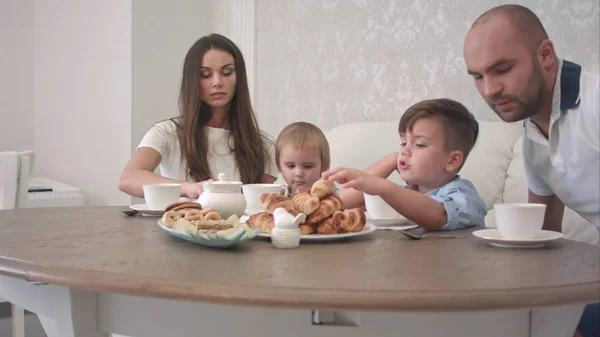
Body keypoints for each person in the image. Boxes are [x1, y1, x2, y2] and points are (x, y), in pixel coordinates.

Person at [463, 5, 599, 337]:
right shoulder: (532, 141)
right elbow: (543, 235)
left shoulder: (595, 99)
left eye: (502, 69)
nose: (489, 90)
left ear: (546, 54)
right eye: (478, 76)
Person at [118, 34, 278, 199]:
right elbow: (129, 178)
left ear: (239, 78)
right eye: (205, 75)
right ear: (193, 80)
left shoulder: (263, 146)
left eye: (227, 72)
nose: (217, 82)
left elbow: (259, 207)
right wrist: (187, 188)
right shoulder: (167, 133)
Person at [323, 98, 487, 230]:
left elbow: (439, 215)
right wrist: (391, 160)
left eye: (419, 145)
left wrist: (383, 186)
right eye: (403, 143)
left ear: (452, 160)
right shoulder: (406, 193)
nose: (405, 151)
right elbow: (341, 202)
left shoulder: (464, 195)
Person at [275, 122, 331, 193]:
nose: (298, 173)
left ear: (323, 166)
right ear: (279, 165)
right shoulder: (278, 197)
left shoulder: (331, 196)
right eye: (290, 166)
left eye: (308, 166)